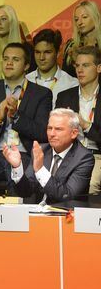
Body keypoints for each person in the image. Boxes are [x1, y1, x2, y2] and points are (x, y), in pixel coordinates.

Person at [0, 43, 51, 195]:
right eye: (5, 59)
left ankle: (14, 219)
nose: (9, 63)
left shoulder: (41, 93)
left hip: (24, 154)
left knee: (17, 182)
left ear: (26, 65)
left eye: (15, 59)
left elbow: (42, 132)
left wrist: (17, 116)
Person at [3, 108, 93, 203]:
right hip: (37, 212)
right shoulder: (41, 150)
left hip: (65, 214)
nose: (51, 134)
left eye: (58, 129)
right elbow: (26, 192)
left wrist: (40, 170)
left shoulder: (83, 158)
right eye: (49, 128)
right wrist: (17, 167)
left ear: (74, 133)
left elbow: (67, 196)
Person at [55, 45, 101, 194]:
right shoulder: (64, 96)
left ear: (99, 68)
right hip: (70, 155)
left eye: (86, 65)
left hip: (97, 155)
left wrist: (85, 125)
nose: (80, 70)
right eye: (77, 65)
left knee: (91, 183)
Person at [27, 29, 79, 107]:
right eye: (37, 52)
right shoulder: (25, 81)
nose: (41, 57)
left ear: (57, 53)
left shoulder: (72, 84)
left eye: (47, 52)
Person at [63, 0, 101, 77]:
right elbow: (66, 76)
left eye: (84, 17)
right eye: (76, 19)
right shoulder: (71, 46)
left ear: (95, 17)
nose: (80, 22)